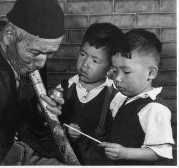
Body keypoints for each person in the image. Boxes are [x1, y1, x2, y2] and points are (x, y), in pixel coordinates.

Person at [0, 0, 65, 165]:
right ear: (9, 35)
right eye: (35, 52)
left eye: (50, 53)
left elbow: (25, 120)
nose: (42, 63)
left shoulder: (35, 56)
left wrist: (39, 110)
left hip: (26, 148)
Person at [100, 29, 175, 165]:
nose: (117, 78)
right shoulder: (121, 98)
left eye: (126, 72)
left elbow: (160, 152)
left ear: (151, 73)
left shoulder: (155, 109)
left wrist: (125, 153)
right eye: (115, 71)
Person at [57, 23, 124, 165]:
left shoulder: (116, 98)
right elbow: (50, 127)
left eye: (95, 61)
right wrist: (65, 128)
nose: (85, 64)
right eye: (82, 54)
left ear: (110, 68)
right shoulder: (64, 88)